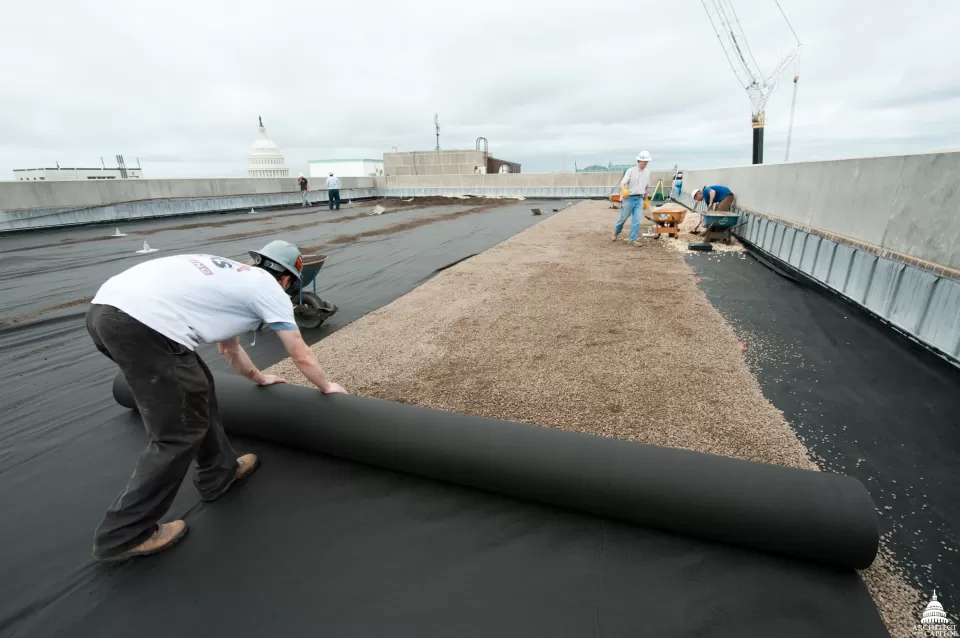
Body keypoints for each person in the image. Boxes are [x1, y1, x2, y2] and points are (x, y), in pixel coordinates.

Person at [85, 240, 346, 563]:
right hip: (140, 323)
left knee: (198, 388)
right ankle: (123, 534)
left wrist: (258, 379)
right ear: (287, 279)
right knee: (177, 432)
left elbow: (229, 349)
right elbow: (299, 351)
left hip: (105, 312)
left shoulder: (235, 279)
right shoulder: (269, 289)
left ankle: (219, 473)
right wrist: (328, 386)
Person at [612, 151, 652, 245]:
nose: (645, 163)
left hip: (639, 199)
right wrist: (624, 190)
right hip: (629, 198)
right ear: (638, 161)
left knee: (637, 220)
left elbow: (646, 187)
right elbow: (622, 183)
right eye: (643, 161)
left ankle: (632, 239)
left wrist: (646, 199)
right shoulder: (631, 171)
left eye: (646, 161)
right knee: (623, 218)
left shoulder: (647, 172)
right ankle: (616, 232)